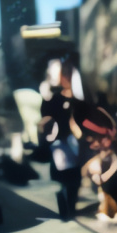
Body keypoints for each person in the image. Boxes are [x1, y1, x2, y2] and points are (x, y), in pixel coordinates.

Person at [40, 60, 84, 220]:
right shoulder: (53, 100)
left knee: (75, 179)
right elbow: (45, 121)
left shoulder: (79, 101)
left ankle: (70, 208)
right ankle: (66, 208)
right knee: (65, 179)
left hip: (75, 143)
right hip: (59, 144)